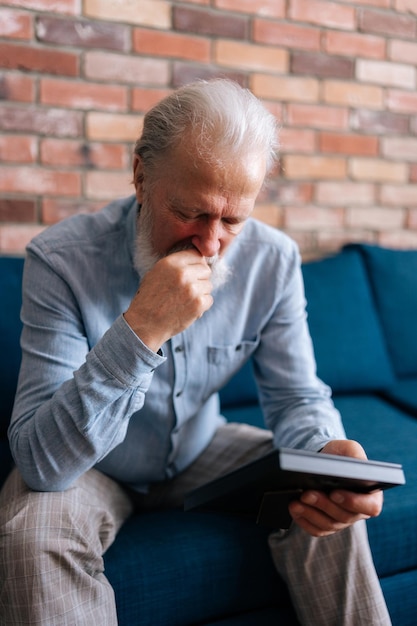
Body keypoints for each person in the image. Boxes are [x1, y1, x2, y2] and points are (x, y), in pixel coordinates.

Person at [0, 79, 391, 625]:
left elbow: (297, 396)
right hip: (94, 463)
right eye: (191, 212)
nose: (210, 244)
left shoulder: (273, 262)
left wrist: (328, 452)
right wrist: (141, 330)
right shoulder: (61, 261)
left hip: (201, 446)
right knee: (29, 533)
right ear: (141, 177)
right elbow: (41, 462)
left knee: (323, 494)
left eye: (233, 219)